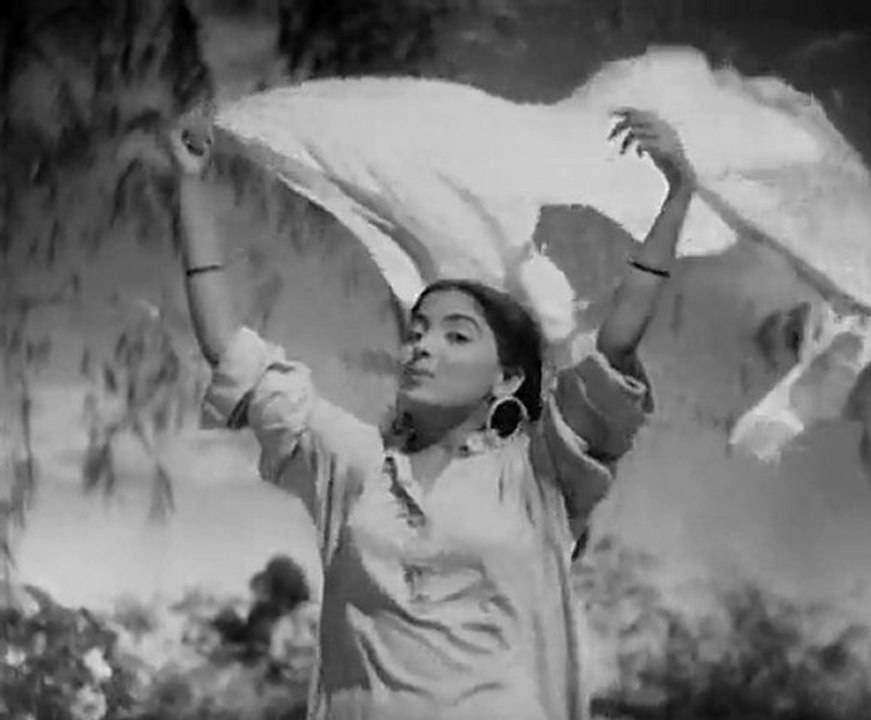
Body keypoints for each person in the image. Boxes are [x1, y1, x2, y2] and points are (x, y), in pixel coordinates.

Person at [168, 105, 694, 720]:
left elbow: (616, 344)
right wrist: (190, 183)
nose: (423, 346)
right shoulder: (354, 465)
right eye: (418, 331)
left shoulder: (540, 473)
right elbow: (228, 349)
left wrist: (678, 196)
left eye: (456, 335)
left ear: (507, 378)